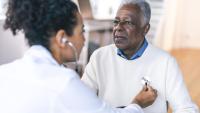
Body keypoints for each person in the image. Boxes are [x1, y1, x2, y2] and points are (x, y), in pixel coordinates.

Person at [0, 0, 158, 113]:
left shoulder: (5, 72)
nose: (83, 39)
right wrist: (138, 102)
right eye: (81, 31)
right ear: (62, 38)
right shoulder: (63, 83)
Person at [81, 0, 199, 113]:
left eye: (128, 23)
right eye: (116, 22)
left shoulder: (166, 62)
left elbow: (187, 109)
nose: (118, 28)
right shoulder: (99, 57)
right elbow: (80, 101)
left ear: (145, 29)